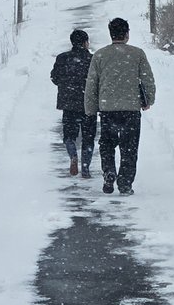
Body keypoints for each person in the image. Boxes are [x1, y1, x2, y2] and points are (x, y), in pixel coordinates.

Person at [83, 17, 156, 195]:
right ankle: (125, 183)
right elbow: (148, 79)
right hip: (131, 109)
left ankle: (109, 171)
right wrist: (148, 100)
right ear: (127, 34)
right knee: (129, 148)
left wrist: (90, 109)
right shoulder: (137, 54)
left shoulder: (100, 55)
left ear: (111, 34)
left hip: (107, 109)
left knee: (107, 144)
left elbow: (91, 84)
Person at [50, 28, 96, 177]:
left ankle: (73, 155)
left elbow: (54, 78)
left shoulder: (62, 58)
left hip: (69, 104)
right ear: (85, 43)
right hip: (88, 104)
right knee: (88, 138)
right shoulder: (93, 60)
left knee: (69, 136)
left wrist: (66, 85)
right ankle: (86, 167)